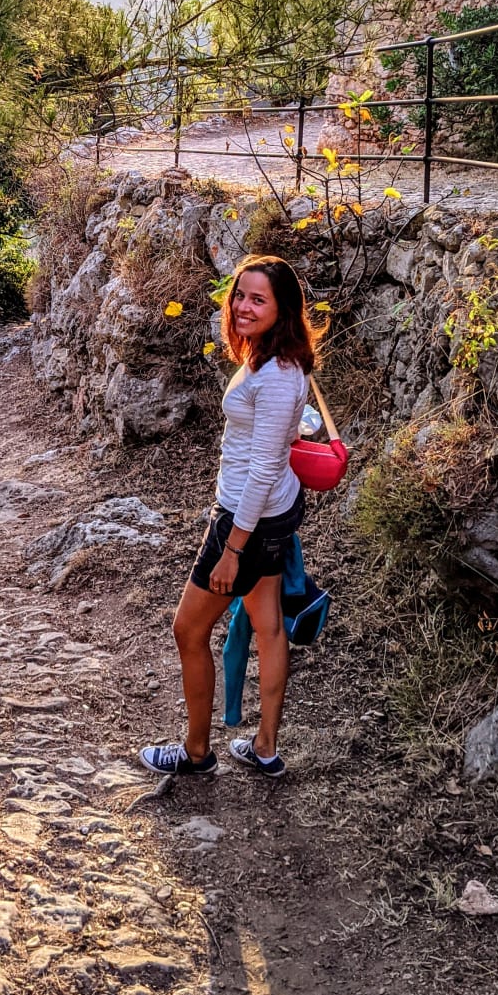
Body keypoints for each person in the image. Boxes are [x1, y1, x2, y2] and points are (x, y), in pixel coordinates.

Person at [139, 253, 322, 779]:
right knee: (268, 625)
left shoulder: (277, 374)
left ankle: (196, 754)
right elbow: (278, 436)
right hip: (272, 515)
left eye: (257, 299)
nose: (242, 306)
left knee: (188, 629)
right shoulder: (277, 359)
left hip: (248, 520)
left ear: (282, 308)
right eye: (240, 295)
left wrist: (232, 548)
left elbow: (262, 471)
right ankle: (264, 748)